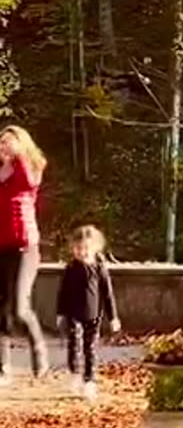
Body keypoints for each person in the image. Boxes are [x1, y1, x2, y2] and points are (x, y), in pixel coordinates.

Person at [0, 125, 48, 384]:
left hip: (24, 247)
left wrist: (18, 157)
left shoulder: (29, 168)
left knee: (19, 307)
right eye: (1, 143)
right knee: (2, 308)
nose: (4, 147)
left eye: (8, 143)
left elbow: (30, 182)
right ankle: (2, 366)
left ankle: (39, 350)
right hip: (1, 247)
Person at [56, 225, 120, 401]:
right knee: (74, 344)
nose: (82, 252)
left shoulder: (100, 268)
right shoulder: (70, 269)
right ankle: (75, 372)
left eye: (85, 248)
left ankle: (89, 380)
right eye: (78, 248)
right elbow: (63, 293)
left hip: (94, 316)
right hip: (73, 314)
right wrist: (61, 313)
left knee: (90, 348)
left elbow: (108, 294)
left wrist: (113, 316)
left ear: (94, 248)